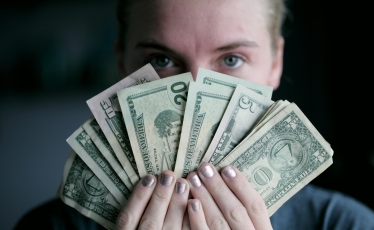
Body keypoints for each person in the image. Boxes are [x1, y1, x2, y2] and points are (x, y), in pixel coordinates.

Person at [15, 0, 374, 229]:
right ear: (122, 63)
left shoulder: (347, 224)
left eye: (231, 60)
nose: (194, 92)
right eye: (161, 60)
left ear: (275, 64)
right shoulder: (48, 226)